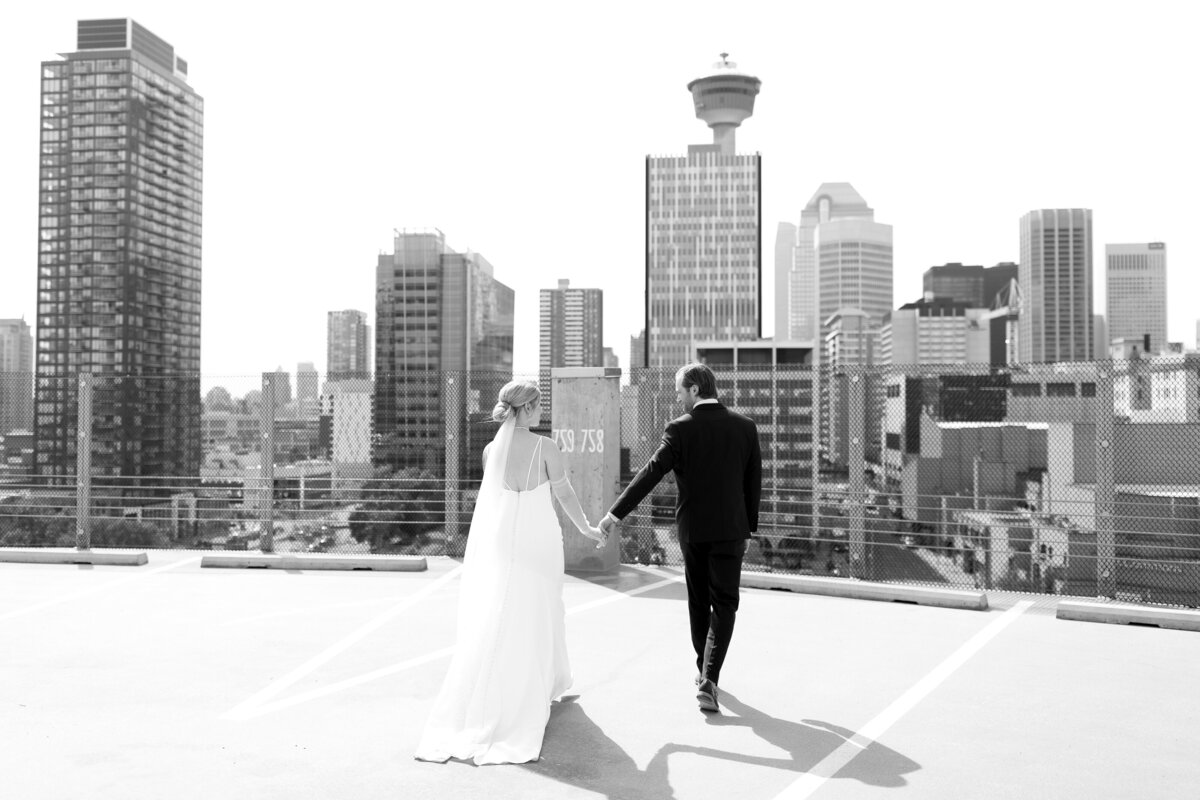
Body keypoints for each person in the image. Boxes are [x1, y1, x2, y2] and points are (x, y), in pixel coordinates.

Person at [415, 379, 605, 765]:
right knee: (541, 609)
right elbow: (565, 495)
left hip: (503, 542)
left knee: (502, 610)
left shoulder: (491, 450)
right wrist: (587, 528)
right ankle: (539, 688)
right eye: (538, 405)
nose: (541, 412)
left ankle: (504, 689)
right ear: (530, 408)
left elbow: (493, 503)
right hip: (539, 539)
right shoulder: (545, 447)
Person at [599, 363, 761, 713]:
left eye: (679, 391)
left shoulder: (680, 429)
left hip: (694, 531)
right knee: (726, 604)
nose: (677, 397)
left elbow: (651, 473)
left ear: (694, 390)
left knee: (699, 601)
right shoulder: (746, 428)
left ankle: (704, 673)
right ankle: (710, 677)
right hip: (732, 530)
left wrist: (615, 514)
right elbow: (753, 484)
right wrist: (749, 528)